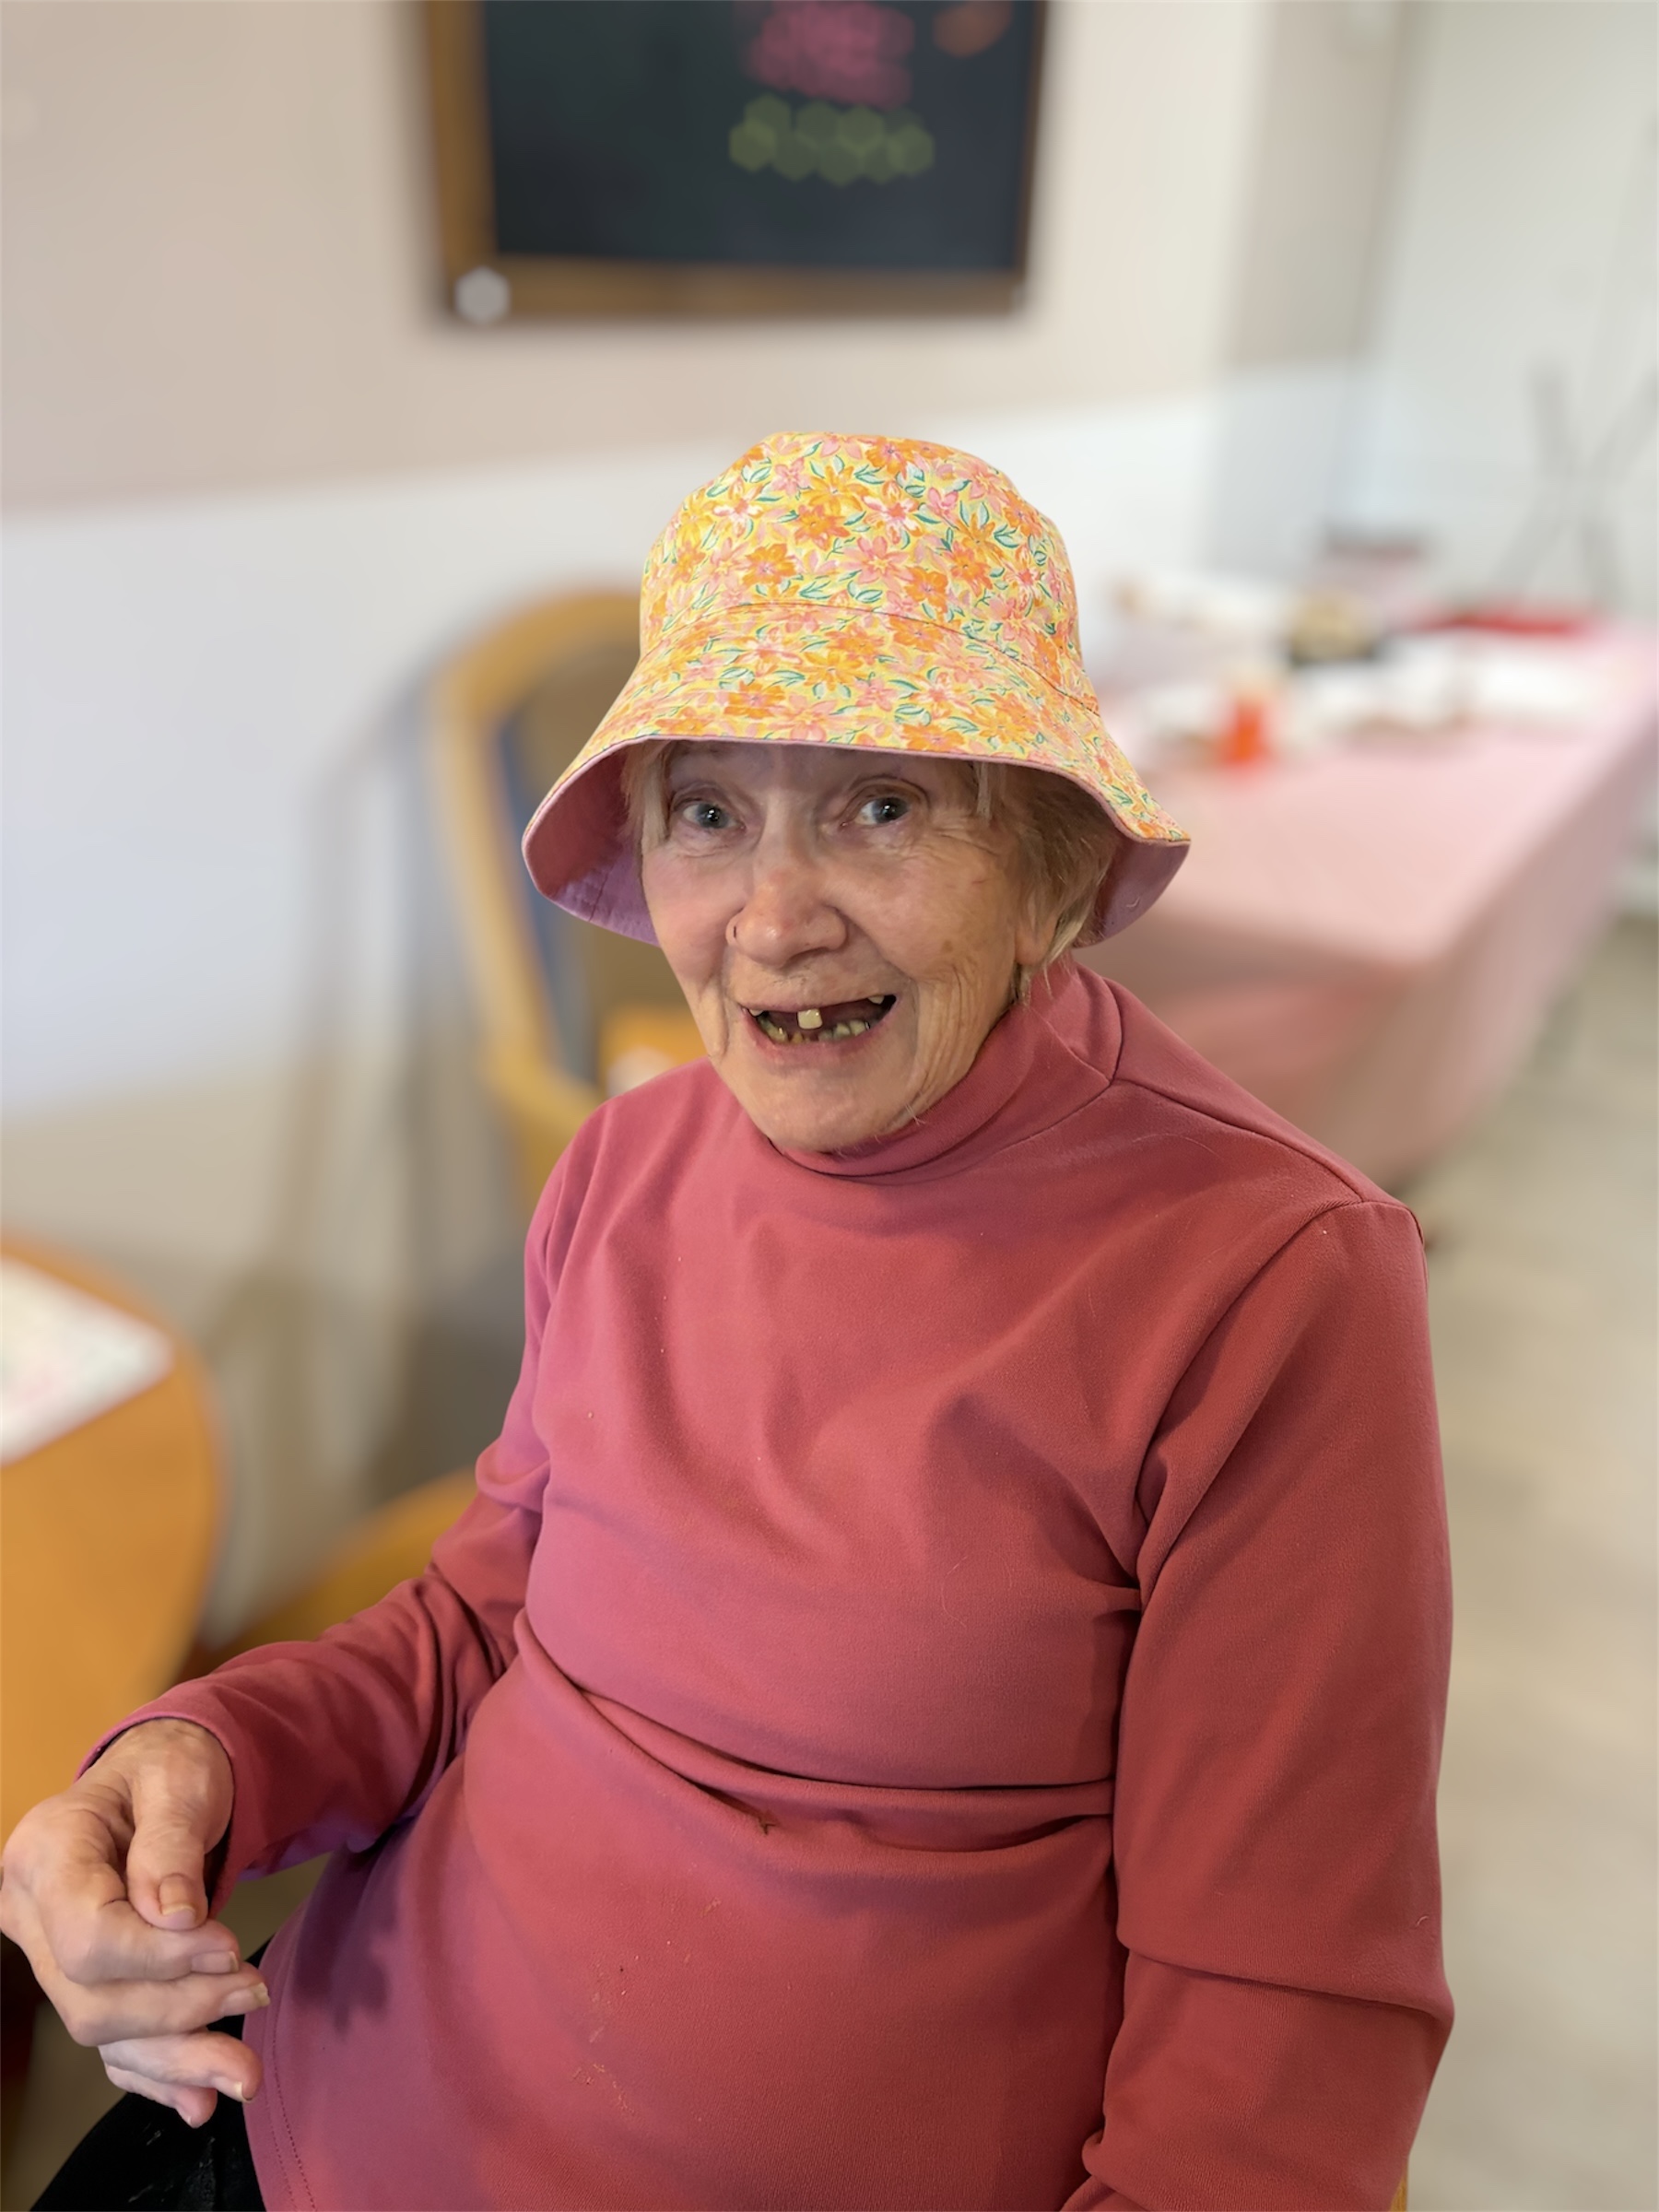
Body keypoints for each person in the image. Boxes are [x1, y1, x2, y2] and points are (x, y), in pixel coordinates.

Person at [2, 433, 1452, 2212]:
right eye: (709, 811)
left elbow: (1283, 2033)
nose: (771, 919)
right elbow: (487, 1620)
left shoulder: (1273, 1280)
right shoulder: (626, 1161)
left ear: (1055, 863)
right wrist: (197, 1760)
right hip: (328, 2119)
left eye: (881, 806)